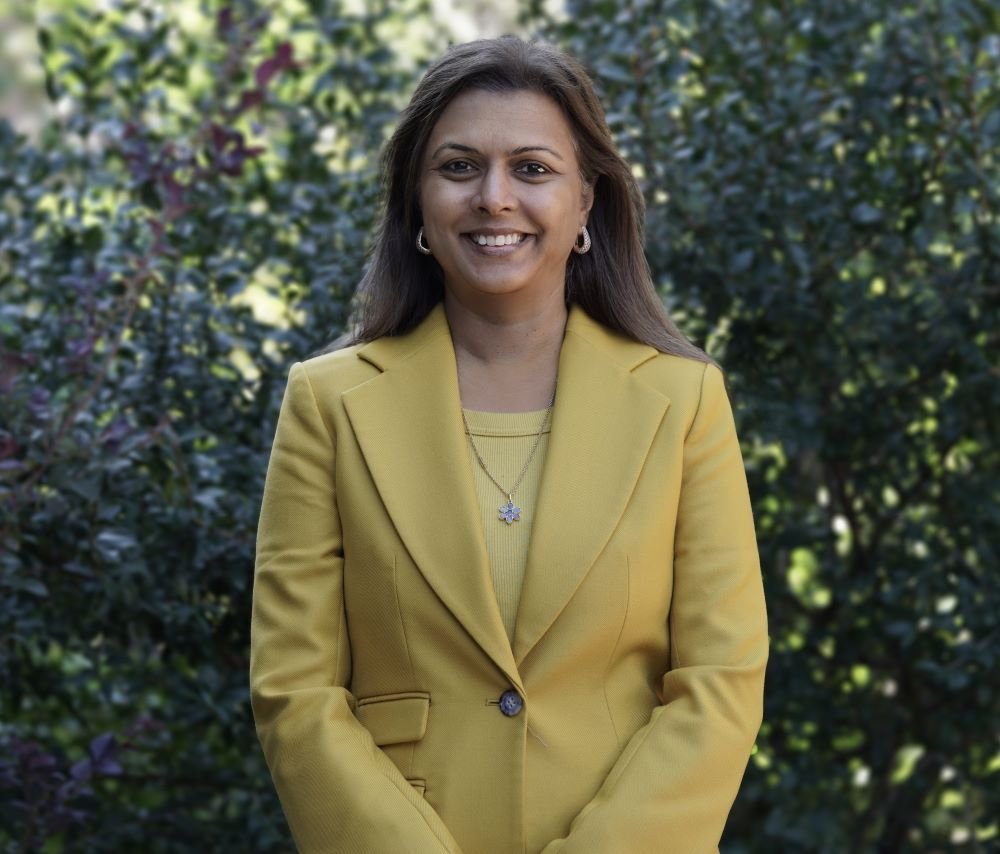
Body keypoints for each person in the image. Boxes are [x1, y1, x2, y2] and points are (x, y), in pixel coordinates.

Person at [250, 35, 768, 854]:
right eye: (458, 168)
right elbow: (294, 692)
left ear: (586, 200)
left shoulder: (682, 400)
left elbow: (721, 682)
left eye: (531, 168)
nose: (494, 198)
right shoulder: (327, 404)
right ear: (417, 200)